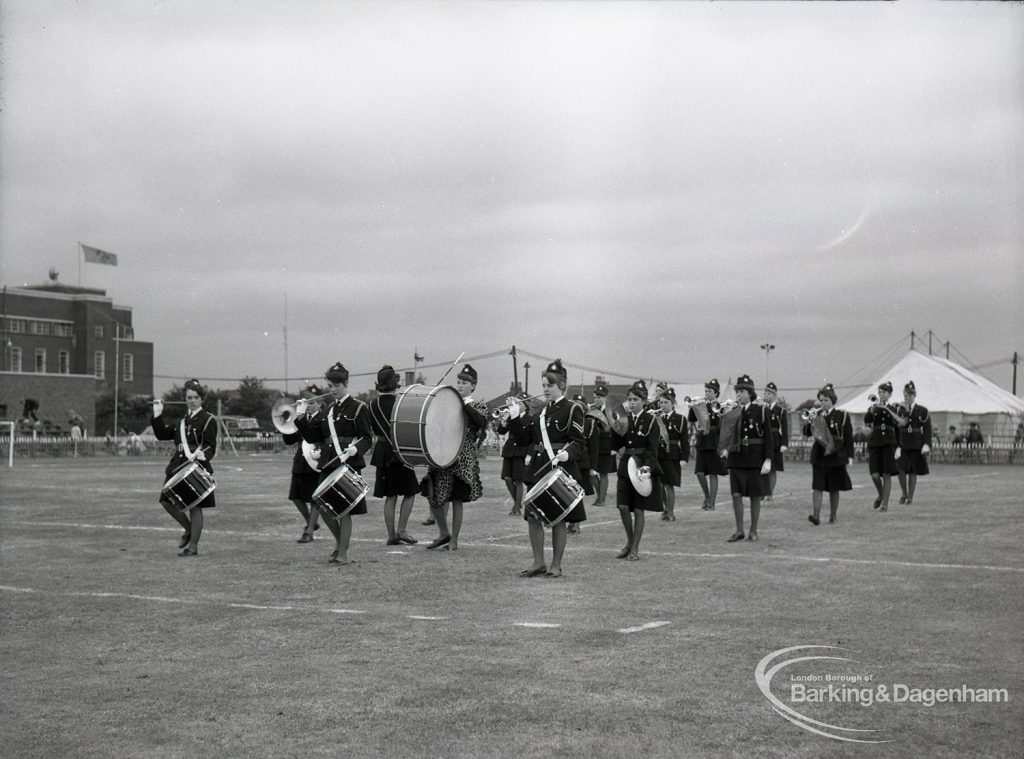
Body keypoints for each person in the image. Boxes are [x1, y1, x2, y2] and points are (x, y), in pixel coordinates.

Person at [506, 359, 587, 577]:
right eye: (543, 385)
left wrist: (567, 454)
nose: (545, 389)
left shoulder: (572, 410)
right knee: (533, 516)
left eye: (549, 385)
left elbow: (579, 443)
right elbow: (524, 439)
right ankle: (538, 562)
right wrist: (514, 417)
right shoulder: (540, 413)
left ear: (562, 385)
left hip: (560, 468)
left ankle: (556, 565)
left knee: (558, 517)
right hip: (539, 467)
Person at [295, 362, 373, 565]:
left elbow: (367, 437)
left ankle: (343, 554)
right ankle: (340, 545)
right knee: (322, 506)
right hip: (329, 463)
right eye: (330, 386)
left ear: (346, 383)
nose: (333, 389)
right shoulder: (328, 410)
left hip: (348, 463)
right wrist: (301, 417)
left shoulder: (358, 408)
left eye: (337, 385)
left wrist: (357, 449)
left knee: (345, 510)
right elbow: (313, 436)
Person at [423, 364, 487, 551]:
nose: (460, 385)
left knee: (457, 499)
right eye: (458, 382)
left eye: (464, 383)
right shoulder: (448, 403)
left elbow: (480, 422)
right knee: (432, 494)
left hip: (462, 457)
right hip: (442, 454)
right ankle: (444, 533)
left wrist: (464, 405)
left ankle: (454, 540)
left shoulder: (477, 405)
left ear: (473, 386)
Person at [151, 379, 218, 556]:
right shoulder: (181, 422)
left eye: (196, 397)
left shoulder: (208, 419)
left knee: (195, 507)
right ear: (185, 399)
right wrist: (157, 416)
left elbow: (211, 445)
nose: (192, 400)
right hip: (178, 465)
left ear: (201, 399)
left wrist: (205, 454)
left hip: (196, 466)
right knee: (166, 500)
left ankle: (193, 547)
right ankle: (188, 529)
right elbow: (162, 434)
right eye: (189, 397)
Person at [611, 380, 663, 560]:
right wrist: (614, 427)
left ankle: (635, 548)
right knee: (623, 506)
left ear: (644, 401)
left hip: (642, 465)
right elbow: (617, 444)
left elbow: (653, 448)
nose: (631, 403)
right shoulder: (624, 418)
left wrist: (648, 466)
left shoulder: (650, 421)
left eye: (635, 399)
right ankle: (630, 541)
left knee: (639, 509)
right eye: (629, 399)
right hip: (626, 465)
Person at [368, 365, 419, 546]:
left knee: (390, 496)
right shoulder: (401, 402)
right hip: (399, 451)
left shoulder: (372, 405)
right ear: (395, 383)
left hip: (382, 452)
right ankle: (402, 530)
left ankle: (391, 536)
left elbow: (374, 429)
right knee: (411, 492)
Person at [720, 375, 773, 542]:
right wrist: (726, 449)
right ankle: (739, 530)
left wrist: (768, 459)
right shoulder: (733, 411)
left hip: (754, 458)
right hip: (737, 457)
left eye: (742, 391)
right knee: (736, 495)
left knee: (754, 496)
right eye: (737, 391)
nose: (738, 394)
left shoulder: (761, 410)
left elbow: (768, 438)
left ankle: (753, 530)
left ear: (750, 393)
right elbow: (728, 433)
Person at [803, 384, 854, 526]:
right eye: (821, 400)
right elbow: (806, 433)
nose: (823, 403)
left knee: (834, 486)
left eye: (826, 400)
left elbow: (848, 437)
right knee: (817, 485)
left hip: (836, 454)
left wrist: (850, 456)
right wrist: (809, 420)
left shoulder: (842, 415)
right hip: (819, 453)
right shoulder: (816, 415)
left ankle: (833, 516)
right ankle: (816, 515)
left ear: (832, 400)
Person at [280, 384, 324, 543]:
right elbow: (289, 440)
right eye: (305, 402)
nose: (308, 406)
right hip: (300, 461)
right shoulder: (300, 418)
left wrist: (300, 420)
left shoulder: (322, 418)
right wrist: (285, 424)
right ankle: (310, 522)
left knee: (314, 499)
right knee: (295, 496)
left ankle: (310, 531)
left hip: (315, 460)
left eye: (311, 403)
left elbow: (314, 436)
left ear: (320, 404)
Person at [863, 381, 904, 512]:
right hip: (875, 442)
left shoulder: (894, 408)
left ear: (890, 394)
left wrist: (899, 446)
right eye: (880, 392)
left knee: (886, 474)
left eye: (884, 392)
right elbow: (867, 421)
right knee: (874, 474)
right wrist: (871, 410)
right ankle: (881, 494)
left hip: (888, 443)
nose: (881, 395)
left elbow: (899, 426)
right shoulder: (874, 407)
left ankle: (885, 504)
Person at [689, 379, 728, 510]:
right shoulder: (701, 406)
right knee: (699, 472)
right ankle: (706, 496)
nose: (706, 393)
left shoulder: (720, 406)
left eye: (710, 391)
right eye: (706, 391)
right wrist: (693, 405)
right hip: (703, 441)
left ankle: (712, 501)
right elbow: (692, 419)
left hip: (714, 441)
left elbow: (723, 424)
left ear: (716, 393)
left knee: (713, 473)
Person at [495, 394, 531, 517]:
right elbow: (501, 431)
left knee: (518, 480)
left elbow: (529, 437)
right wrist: (504, 422)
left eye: (520, 404)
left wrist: (529, 454)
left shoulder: (529, 418)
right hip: (510, 449)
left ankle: (516, 507)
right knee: (507, 477)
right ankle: (517, 503)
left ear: (525, 407)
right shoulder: (511, 416)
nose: (517, 406)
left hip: (521, 450)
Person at [656, 388, 689, 522]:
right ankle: (665, 508)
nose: (662, 405)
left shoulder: (680, 419)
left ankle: (670, 512)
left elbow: (685, 440)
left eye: (665, 402)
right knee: (659, 484)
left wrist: (684, 458)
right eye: (661, 403)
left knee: (669, 484)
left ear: (672, 403)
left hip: (672, 455)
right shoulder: (657, 419)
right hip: (659, 455)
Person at [896, 380, 931, 505]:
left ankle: (910, 496)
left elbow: (927, 429)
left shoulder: (922, 410)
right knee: (900, 469)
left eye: (910, 395)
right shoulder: (899, 410)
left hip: (916, 443)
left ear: (914, 395)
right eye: (905, 395)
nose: (907, 398)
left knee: (912, 471)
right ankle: (904, 493)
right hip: (903, 443)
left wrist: (926, 444)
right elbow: (897, 426)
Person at [589, 384, 616, 506]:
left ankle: (602, 499)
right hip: (596, 445)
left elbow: (616, 429)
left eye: (599, 397)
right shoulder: (595, 411)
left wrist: (614, 447)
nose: (596, 400)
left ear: (605, 398)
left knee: (603, 473)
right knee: (592, 471)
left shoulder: (611, 411)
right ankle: (599, 495)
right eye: (595, 397)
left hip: (607, 445)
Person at [761, 382, 788, 500]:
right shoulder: (761, 408)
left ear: (774, 395)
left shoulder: (780, 411)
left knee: (772, 469)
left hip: (775, 441)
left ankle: (769, 493)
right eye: (765, 393)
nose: (765, 395)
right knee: (762, 468)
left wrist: (784, 443)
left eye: (768, 393)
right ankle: (762, 492)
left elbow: (785, 428)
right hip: (763, 441)